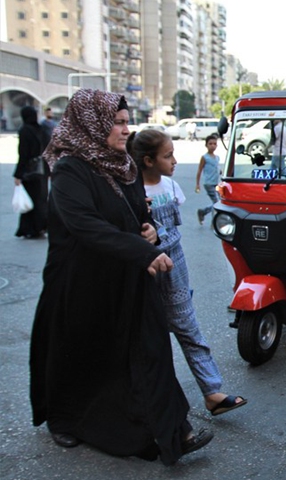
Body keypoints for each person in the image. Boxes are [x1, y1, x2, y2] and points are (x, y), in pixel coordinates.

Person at [29, 88, 212, 465]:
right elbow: (85, 225)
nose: (125, 130)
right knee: (80, 357)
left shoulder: (122, 165)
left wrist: (149, 231)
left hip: (127, 277)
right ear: (91, 123)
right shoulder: (70, 169)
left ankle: (176, 431)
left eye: (127, 122)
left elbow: (135, 215)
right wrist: (144, 249)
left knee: (151, 351)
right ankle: (63, 419)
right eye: (117, 122)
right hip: (80, 284)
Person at [128, 128, 247, 416]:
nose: (174, 161)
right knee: (144, 342)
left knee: (189, 330)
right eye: (168, 156)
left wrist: (161, 238)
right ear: (148, 161)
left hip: (175, 271)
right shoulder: (130, 192)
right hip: (143, 273)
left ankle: (212, 392)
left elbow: (175, 231)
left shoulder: (170, 187)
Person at [13, 106, 50, 238]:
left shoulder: (25, 131)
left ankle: (31, 228)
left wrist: (18, 175)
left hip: (30, 171)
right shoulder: (42, 130)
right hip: (43, 170)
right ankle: (41, 226)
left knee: (31, 199)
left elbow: (23, 154)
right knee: (41, 199)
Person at [195, 134, 221, 225]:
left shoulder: (217, 157)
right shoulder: (204, 157)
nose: (213, 145)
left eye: (214, 144)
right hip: (209, 183)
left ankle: (203, 212)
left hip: (216, 183)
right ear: (206, 145)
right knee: (217, 202)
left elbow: (217, 168)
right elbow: (199, 170)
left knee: (220, 201)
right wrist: (197, 184)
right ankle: (214, 221)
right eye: (210, 144)